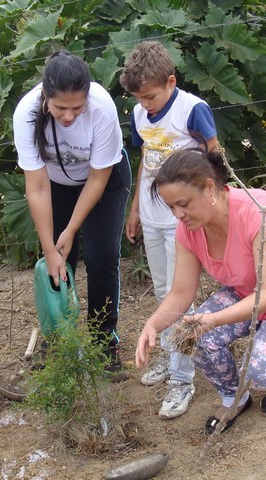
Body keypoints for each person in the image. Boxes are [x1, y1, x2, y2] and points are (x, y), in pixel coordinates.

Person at [13, 51, 131, 375]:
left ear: (88, 96)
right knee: (57, 263)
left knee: (101, 255)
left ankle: (104, 342)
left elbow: (97, 178)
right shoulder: (26, 113)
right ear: (45, 96)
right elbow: (36, 187)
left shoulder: (103, 108)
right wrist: (51, 248)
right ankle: (59, 344)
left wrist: (70, 229)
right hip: (55, 185)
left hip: (103, 182)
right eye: (60, 108)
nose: (68, 116)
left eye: (77, 108)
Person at [136, 148, 266, 433]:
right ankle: (235, 398)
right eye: (171, 207)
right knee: (194, 336)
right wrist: (153, 325)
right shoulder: (190, 229)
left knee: (259, 371)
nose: (178, 215)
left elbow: (265, 293)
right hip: (246, 294)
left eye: (183, 204)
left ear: (209, 187)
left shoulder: (257, 212)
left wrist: (215, 319)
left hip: (263, 294)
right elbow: (181, 294)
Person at [120, 40, 218, 418]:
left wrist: (210, 210)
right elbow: (146, 157)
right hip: (153, 215)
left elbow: (213, 154)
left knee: (182, 298)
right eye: (140, 98)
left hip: (184, 221)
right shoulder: (138, 113)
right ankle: (170, 356)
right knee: (164, 294)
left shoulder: (193, 109)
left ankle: (183, 379)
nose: (146, 104)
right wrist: (135, 210)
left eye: (151, 96)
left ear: (171, 81)